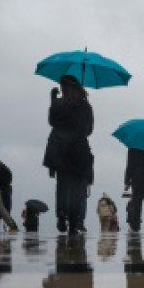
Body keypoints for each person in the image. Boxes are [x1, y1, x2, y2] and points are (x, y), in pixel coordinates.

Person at [43, 74, 94, 235]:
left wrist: (52, 100)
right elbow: (89, 130)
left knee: (62, 185)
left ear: (62, 88)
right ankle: (73, 223)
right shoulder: (85, 106)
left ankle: (61, 213)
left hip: (59, 148)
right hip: (78, 150)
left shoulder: (58, 103)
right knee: (76, 188)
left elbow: (51, 122)